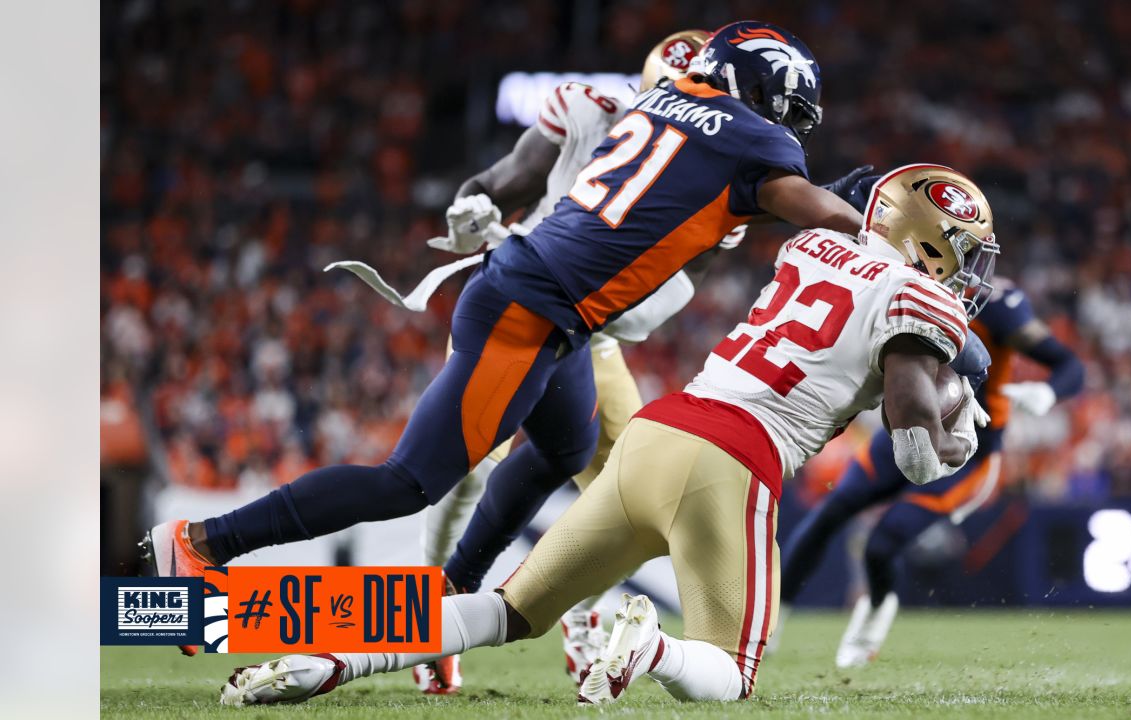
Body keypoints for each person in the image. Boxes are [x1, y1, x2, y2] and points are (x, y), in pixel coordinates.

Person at [142, 20, 863, 659]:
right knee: (407, 483)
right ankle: (205, 542)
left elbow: (712, 197)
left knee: (568, 448)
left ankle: (450, 593)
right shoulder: (750, 136)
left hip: (549, 305)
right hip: (530, 310)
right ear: (753, 85)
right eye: (786, 107)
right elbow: (805, 208)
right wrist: (872, 224)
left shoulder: (663, 102)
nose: (788, 126)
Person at [217, 164, 1001, 707]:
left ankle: (331, 658)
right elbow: (913, 452)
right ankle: (647, 646)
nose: (967, 273)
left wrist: (945, 384)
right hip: (733, 461)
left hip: (657, 430)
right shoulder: (916, 296)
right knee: (731, 672)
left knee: (507, 610)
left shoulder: (811, 246)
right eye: (962, 253)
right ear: (926, 236)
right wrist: (957, 433)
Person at [405, 28, 718, 694]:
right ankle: (426, 616)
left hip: (592, 334)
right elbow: (495, 182)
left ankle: (582, 615)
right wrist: (474, 207)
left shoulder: (727, 168)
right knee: (464, 469)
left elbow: (648, 307)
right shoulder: (588, 110)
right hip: (522, 305)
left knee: (627, 492)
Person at [776, 274, 1084, 668]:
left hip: (966, 451)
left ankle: (871, 619)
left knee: (882, 543)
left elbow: (1068, 364)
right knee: (831, 512)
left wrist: (1049, 391)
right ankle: (772, 621)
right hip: (902, 430)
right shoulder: (895, 283)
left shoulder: (995, 306)